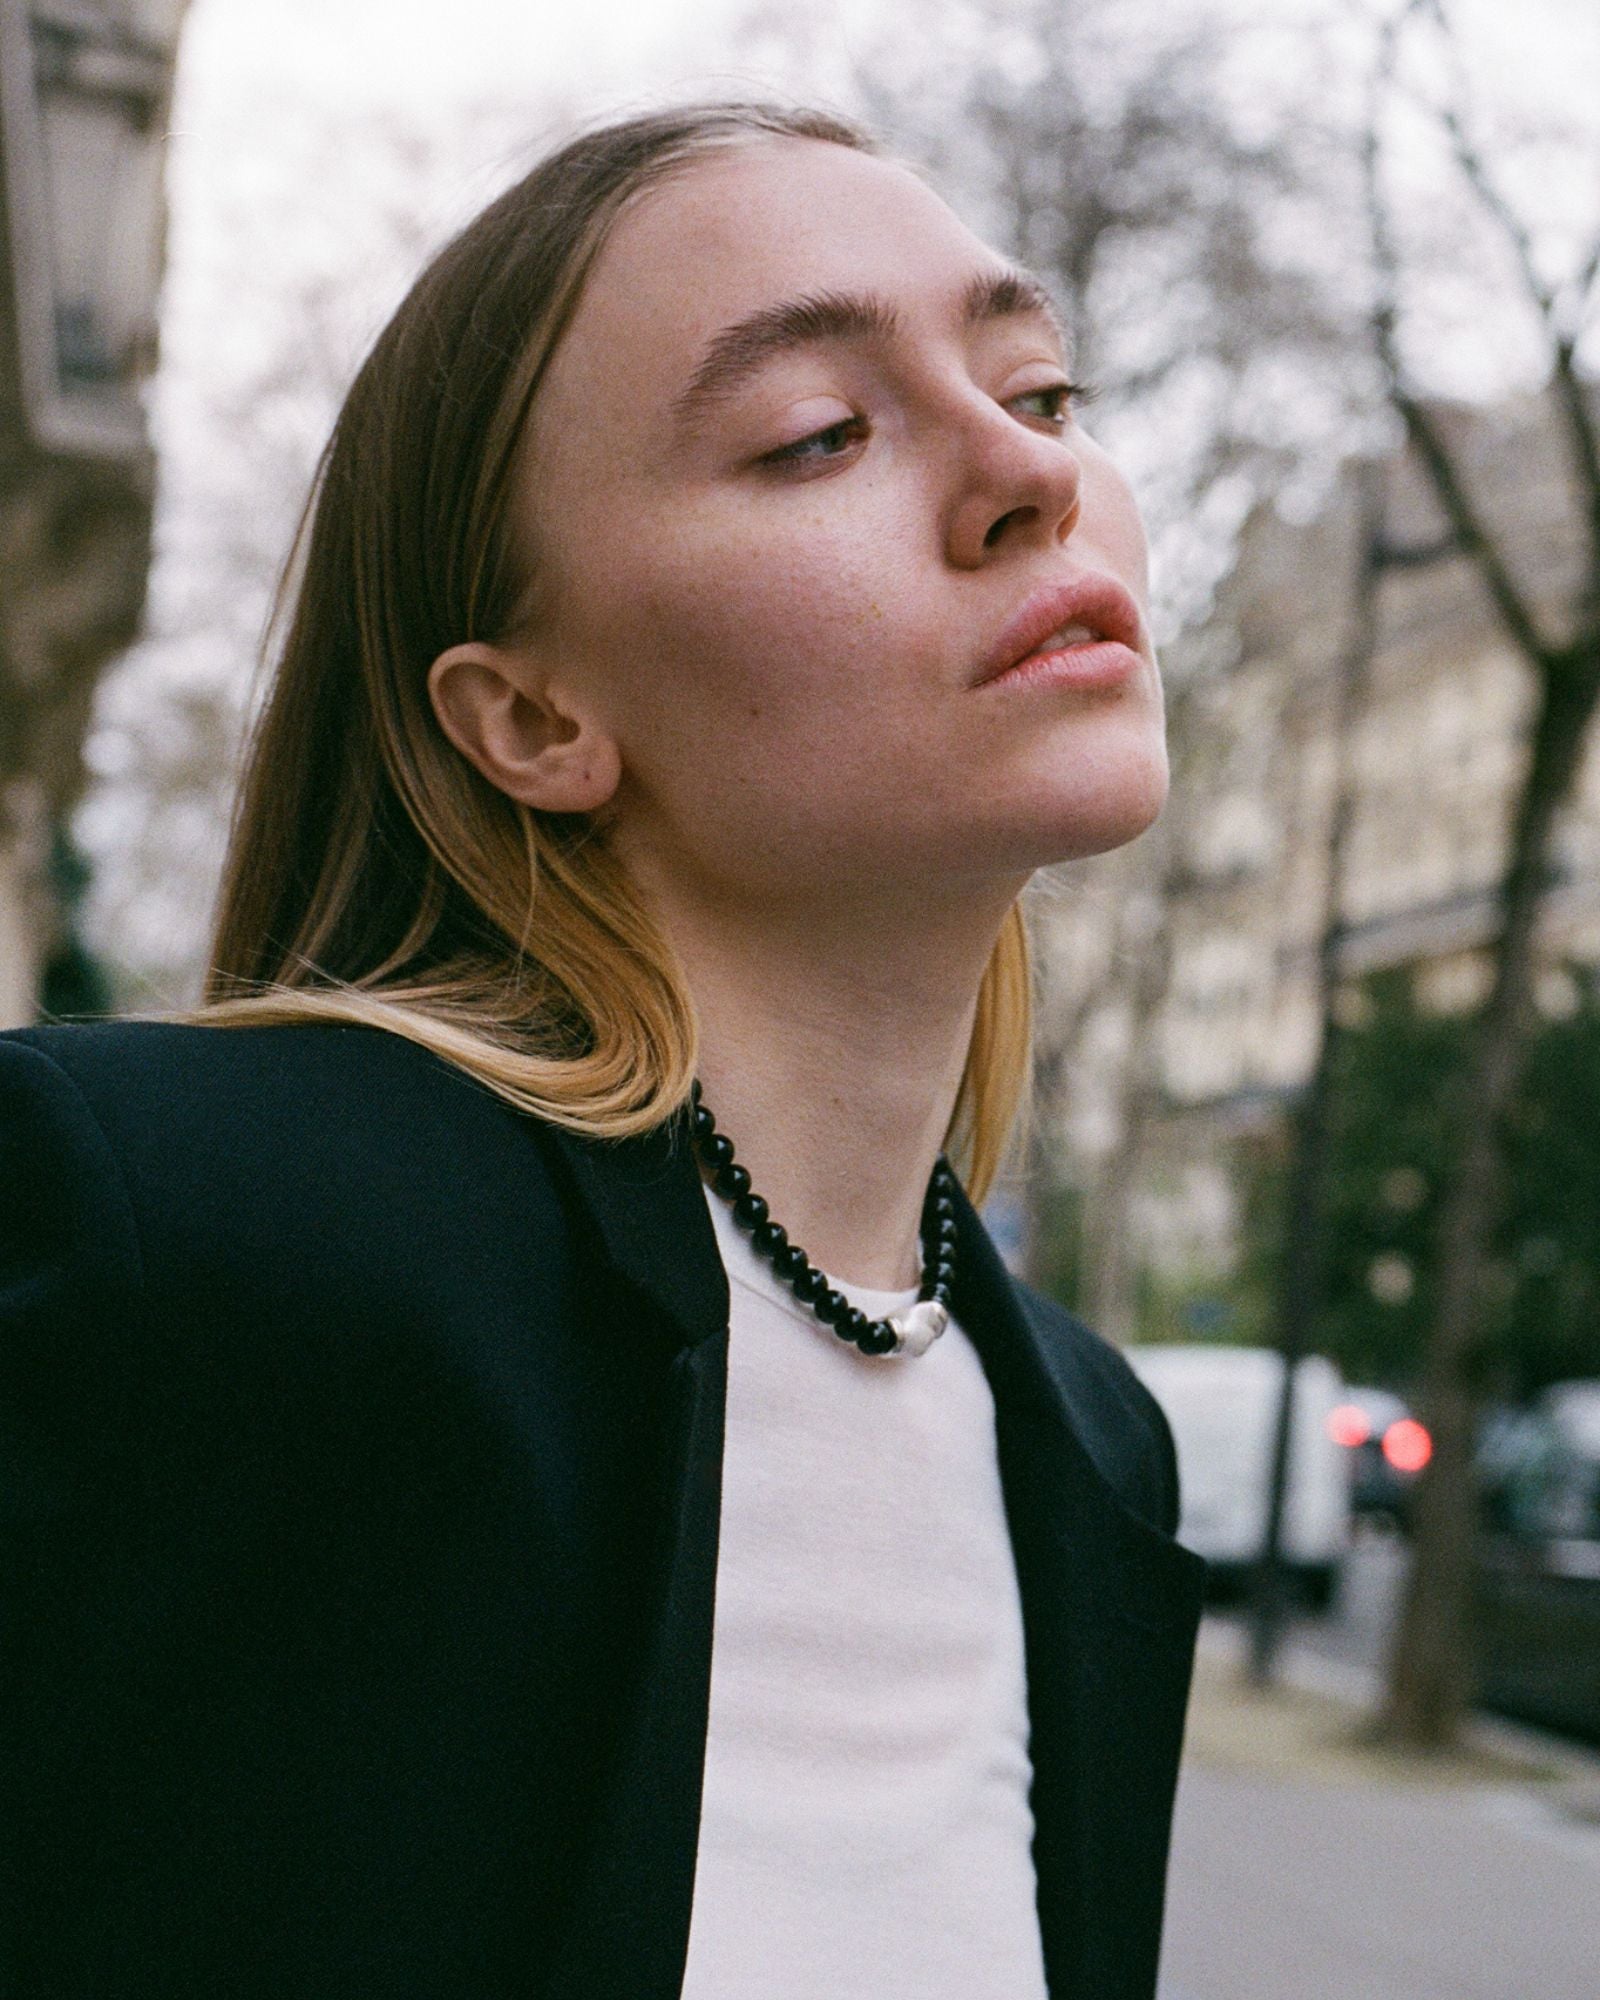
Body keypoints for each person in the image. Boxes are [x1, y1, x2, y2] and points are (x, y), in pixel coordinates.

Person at [0, 101, 1205, 2000]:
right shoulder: (175, 1238)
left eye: (1042, 391)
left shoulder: (1094, 1449)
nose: (1024, 476)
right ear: (532, 717)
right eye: (819, 432)